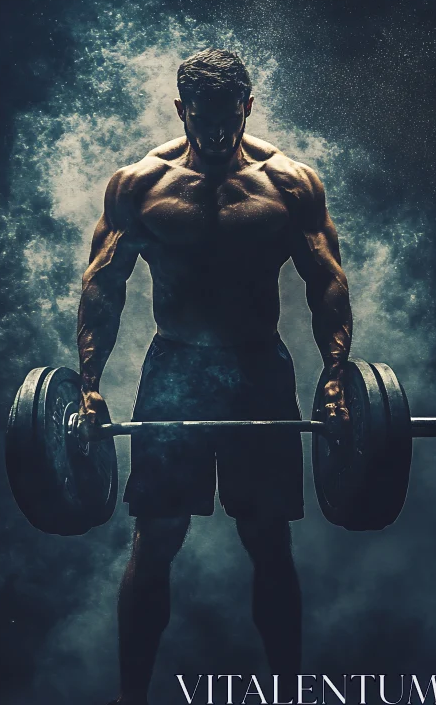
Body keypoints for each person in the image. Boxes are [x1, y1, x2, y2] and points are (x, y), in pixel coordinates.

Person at [77, 48, 352, 705]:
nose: (217, 137)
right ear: (181, 110)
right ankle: (131, 698)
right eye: (203, 124)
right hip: (175, 369)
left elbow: (328, 284)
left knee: (267, 538)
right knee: (157, 535)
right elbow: (103, 287)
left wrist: (338, 376)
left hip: (259, 369)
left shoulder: (289, 184)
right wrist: (88, 383)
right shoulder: (140, 185)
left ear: (248, 108)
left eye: (229, 123)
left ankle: (287, 696)